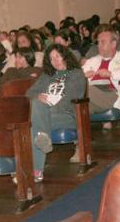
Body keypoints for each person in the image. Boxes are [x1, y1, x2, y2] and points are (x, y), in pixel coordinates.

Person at [26, 45, 86, 180]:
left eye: (58, 56)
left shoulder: (76, 73)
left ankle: (34, 169)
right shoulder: (48, 75)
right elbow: (29, 93)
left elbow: (70, 100)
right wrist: (38, 97)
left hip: (67, 115)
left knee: (34, 120)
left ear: (65, 56)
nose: (55, 61)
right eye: (51, 58)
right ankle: (43, 143)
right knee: (36, 106)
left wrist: (48, 107)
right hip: (45, 114)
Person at [82, 24, 120, 129]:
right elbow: (79, 75)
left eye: (102, 42)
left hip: (112, 95)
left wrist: (111, 74)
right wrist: (83, 76)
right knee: (76, 108)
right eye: (98, 42)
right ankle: (80, 140)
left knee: (82, 91)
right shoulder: (93, 60)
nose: (98, 45)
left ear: (113, 43)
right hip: (94, 97)